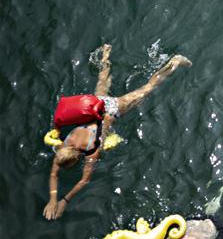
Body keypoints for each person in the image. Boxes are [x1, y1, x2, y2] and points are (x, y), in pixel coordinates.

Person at [43, 45, 191, 220]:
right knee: (102, 80)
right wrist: (53, 199)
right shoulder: (66, 144)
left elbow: (84, 180)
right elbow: (54, 172)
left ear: (76, 160)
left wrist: (64, 200)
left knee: (148, 88)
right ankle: (105, 55)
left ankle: (174, 62)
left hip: (111, 109)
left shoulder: (92, 152)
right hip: (96, 104)